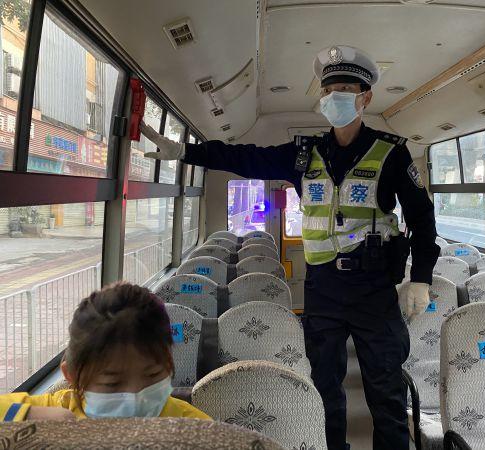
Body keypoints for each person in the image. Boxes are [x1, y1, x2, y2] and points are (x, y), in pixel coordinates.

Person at [140, 45, 439, 450]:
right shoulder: (304, 154)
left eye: (345, 89)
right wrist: (186, 151)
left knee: (386, 391)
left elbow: (422, 218)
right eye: (328, 90)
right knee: (324, 389)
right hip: (323, 287)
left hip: (374, 286)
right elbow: (246, 158)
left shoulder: (391, 153)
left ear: (365, 98)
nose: (334, 97)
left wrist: (420, 278)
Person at [0, 282, 211, 421]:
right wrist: (28, 415)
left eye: (153, 375)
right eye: (112, 384)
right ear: (72, 376)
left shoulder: (192, 424)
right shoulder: (58, 409)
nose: (135, 398)